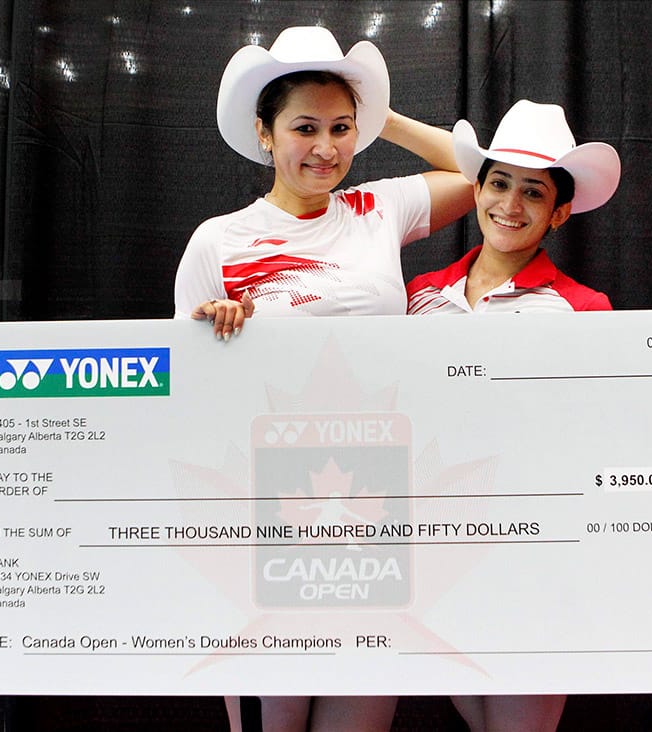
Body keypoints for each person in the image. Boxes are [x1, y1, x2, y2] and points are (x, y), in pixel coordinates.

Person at [173, 25, 473, 732]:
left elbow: (478, 175)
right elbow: (183, 390)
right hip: (263, 512)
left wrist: (380, 115)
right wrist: (210, 328)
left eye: (341, 128)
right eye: (305, 128)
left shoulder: (377, 211)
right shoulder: (220, 240)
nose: (327, 147)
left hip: (377, 502)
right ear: (265, 136)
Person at [406, 99, 652, 732]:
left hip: (539, 560)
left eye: (532, 192)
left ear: (559, 213)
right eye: (498, 183)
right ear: (476, 189)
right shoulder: (418, 296)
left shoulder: (584, 307)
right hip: (438, 556)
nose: (509, 206)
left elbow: (615, 430)